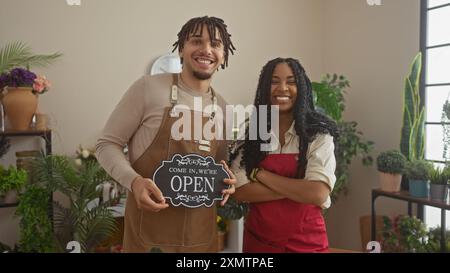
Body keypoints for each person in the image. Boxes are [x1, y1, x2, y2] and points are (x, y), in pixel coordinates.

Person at [96, 16, 237, 253]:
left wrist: (228, 183)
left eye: (215, 44)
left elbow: (220, 168)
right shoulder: (147, 88)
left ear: (223, 55)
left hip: (201, 239)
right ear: (181, 49)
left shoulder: (223, 107)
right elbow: (107, 144)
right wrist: (135, 182)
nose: (206, 50)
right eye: (196, 41)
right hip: (149, 237)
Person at [230, 57, 338, 253]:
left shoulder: (318, 136)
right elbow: (240, 192)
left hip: (308, 243)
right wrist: (300, 187)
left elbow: (318, 193)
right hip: (259, 245)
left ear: (302, 88)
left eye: (291, 81)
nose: (282, 88)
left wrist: (260, 175)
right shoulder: (253, 134)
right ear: (264, 88)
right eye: (274, 81)